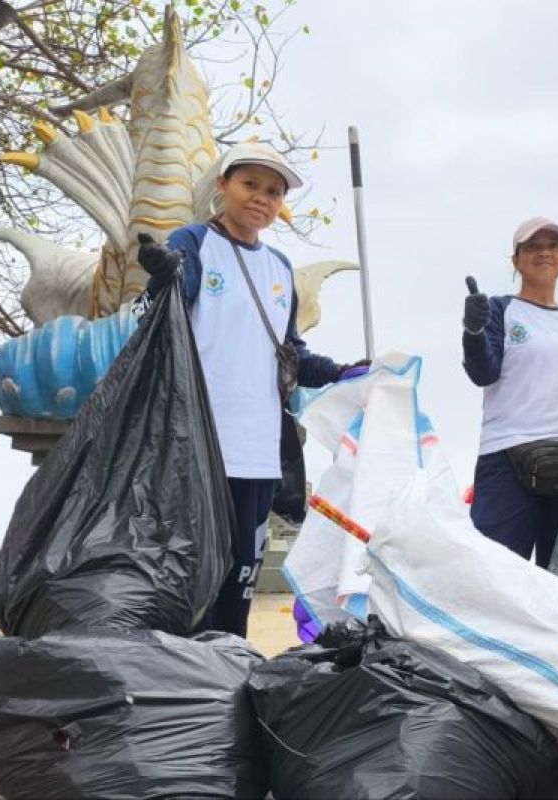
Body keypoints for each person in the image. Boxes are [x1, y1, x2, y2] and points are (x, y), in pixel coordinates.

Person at [136, 141, 366, 638]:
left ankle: (227, 682)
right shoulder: (195, 242)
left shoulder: (280, 270)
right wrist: (162, 281)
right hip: (195, 449)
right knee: (190, 581)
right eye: (249, 185)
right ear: (223, 185)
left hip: (257, 455)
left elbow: (290, 356)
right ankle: (180, 691)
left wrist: (343, 372)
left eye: (273, 191)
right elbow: (164, 316)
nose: (261, 198)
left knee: (239, 583)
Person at [462, 217, 558, 567]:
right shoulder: (500, 310)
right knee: (496, 574)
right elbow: (483, 372)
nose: (544, 253)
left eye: (553, 246)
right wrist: (473, 331)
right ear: (515, 260)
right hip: (507, 456)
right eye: (532, 247)